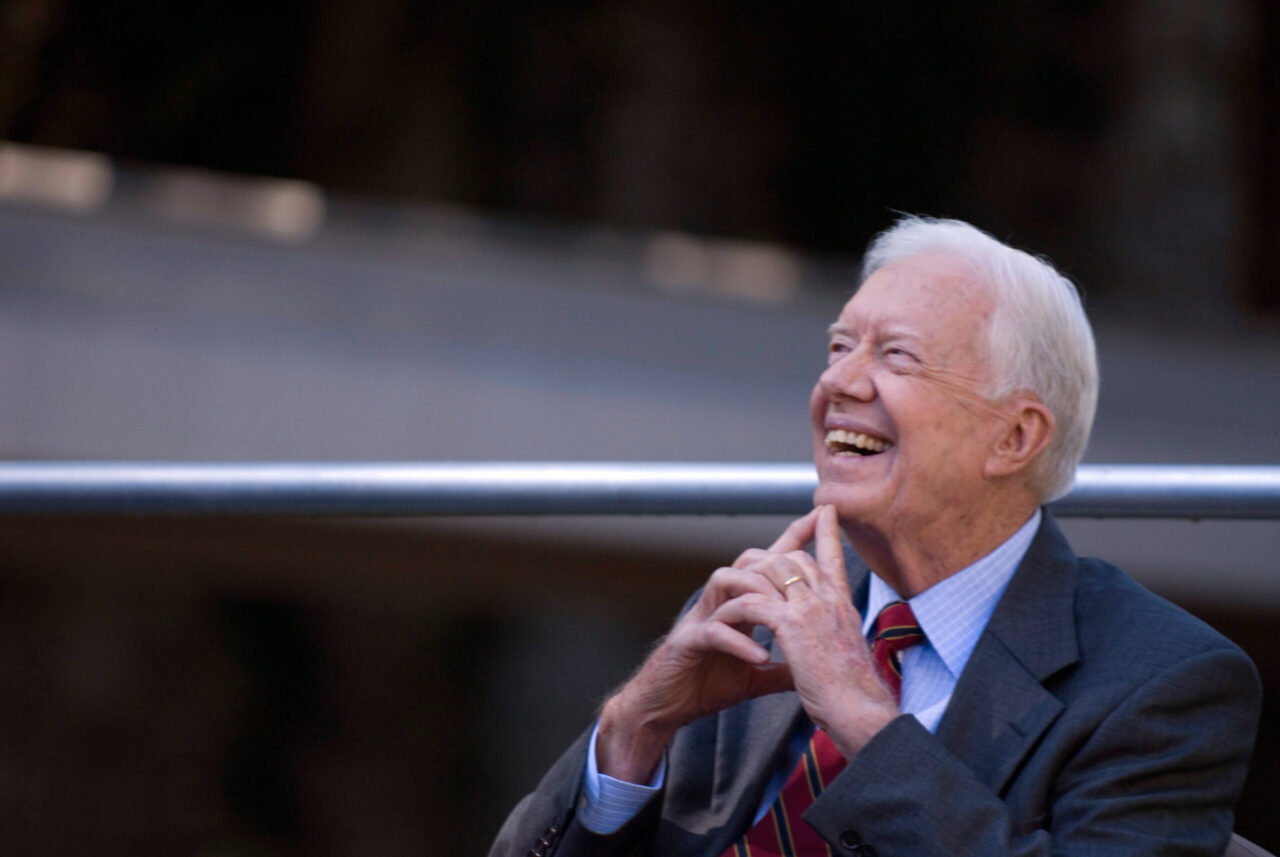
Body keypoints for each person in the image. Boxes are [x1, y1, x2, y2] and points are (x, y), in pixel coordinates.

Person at [489, 216, 1261, 857]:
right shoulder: (760, 615)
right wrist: (633, 729)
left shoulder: (1162, 681)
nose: (840, 384)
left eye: (895, 355)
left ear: (1015, 438)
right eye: (837, 347)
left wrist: (864, 720)